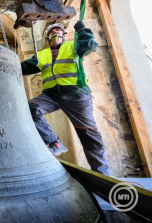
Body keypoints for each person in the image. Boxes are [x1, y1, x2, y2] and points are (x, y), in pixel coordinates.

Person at [21, 22, 110, 176]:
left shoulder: (72, 46)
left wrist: (82, 29)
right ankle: (55, 142)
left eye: (59, 29)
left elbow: (89, 46)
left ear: (64, 35)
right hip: (51, 95)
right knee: (30, 108)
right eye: (51, 31)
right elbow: (22, 67)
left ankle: (103, 176)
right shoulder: (42, 54)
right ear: (47, 38)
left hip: (77, 96)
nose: (55, 31)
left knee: (88, 135)